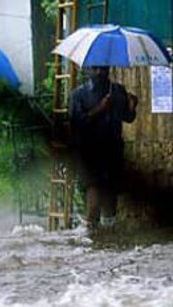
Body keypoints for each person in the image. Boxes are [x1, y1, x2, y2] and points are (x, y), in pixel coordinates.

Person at [69, 66, 137, 229]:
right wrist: (100, 108)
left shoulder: (117, 90)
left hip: (112, 150)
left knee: (110, 195)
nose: (100, 72)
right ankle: (89, 235)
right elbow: (77, 122)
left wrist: (132, 106)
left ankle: (108, 239)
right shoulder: (79, 94)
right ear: (87, 71)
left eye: (103, 68)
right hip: (90, 152)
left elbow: (127, 118)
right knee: (94, 194)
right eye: (95, 69)